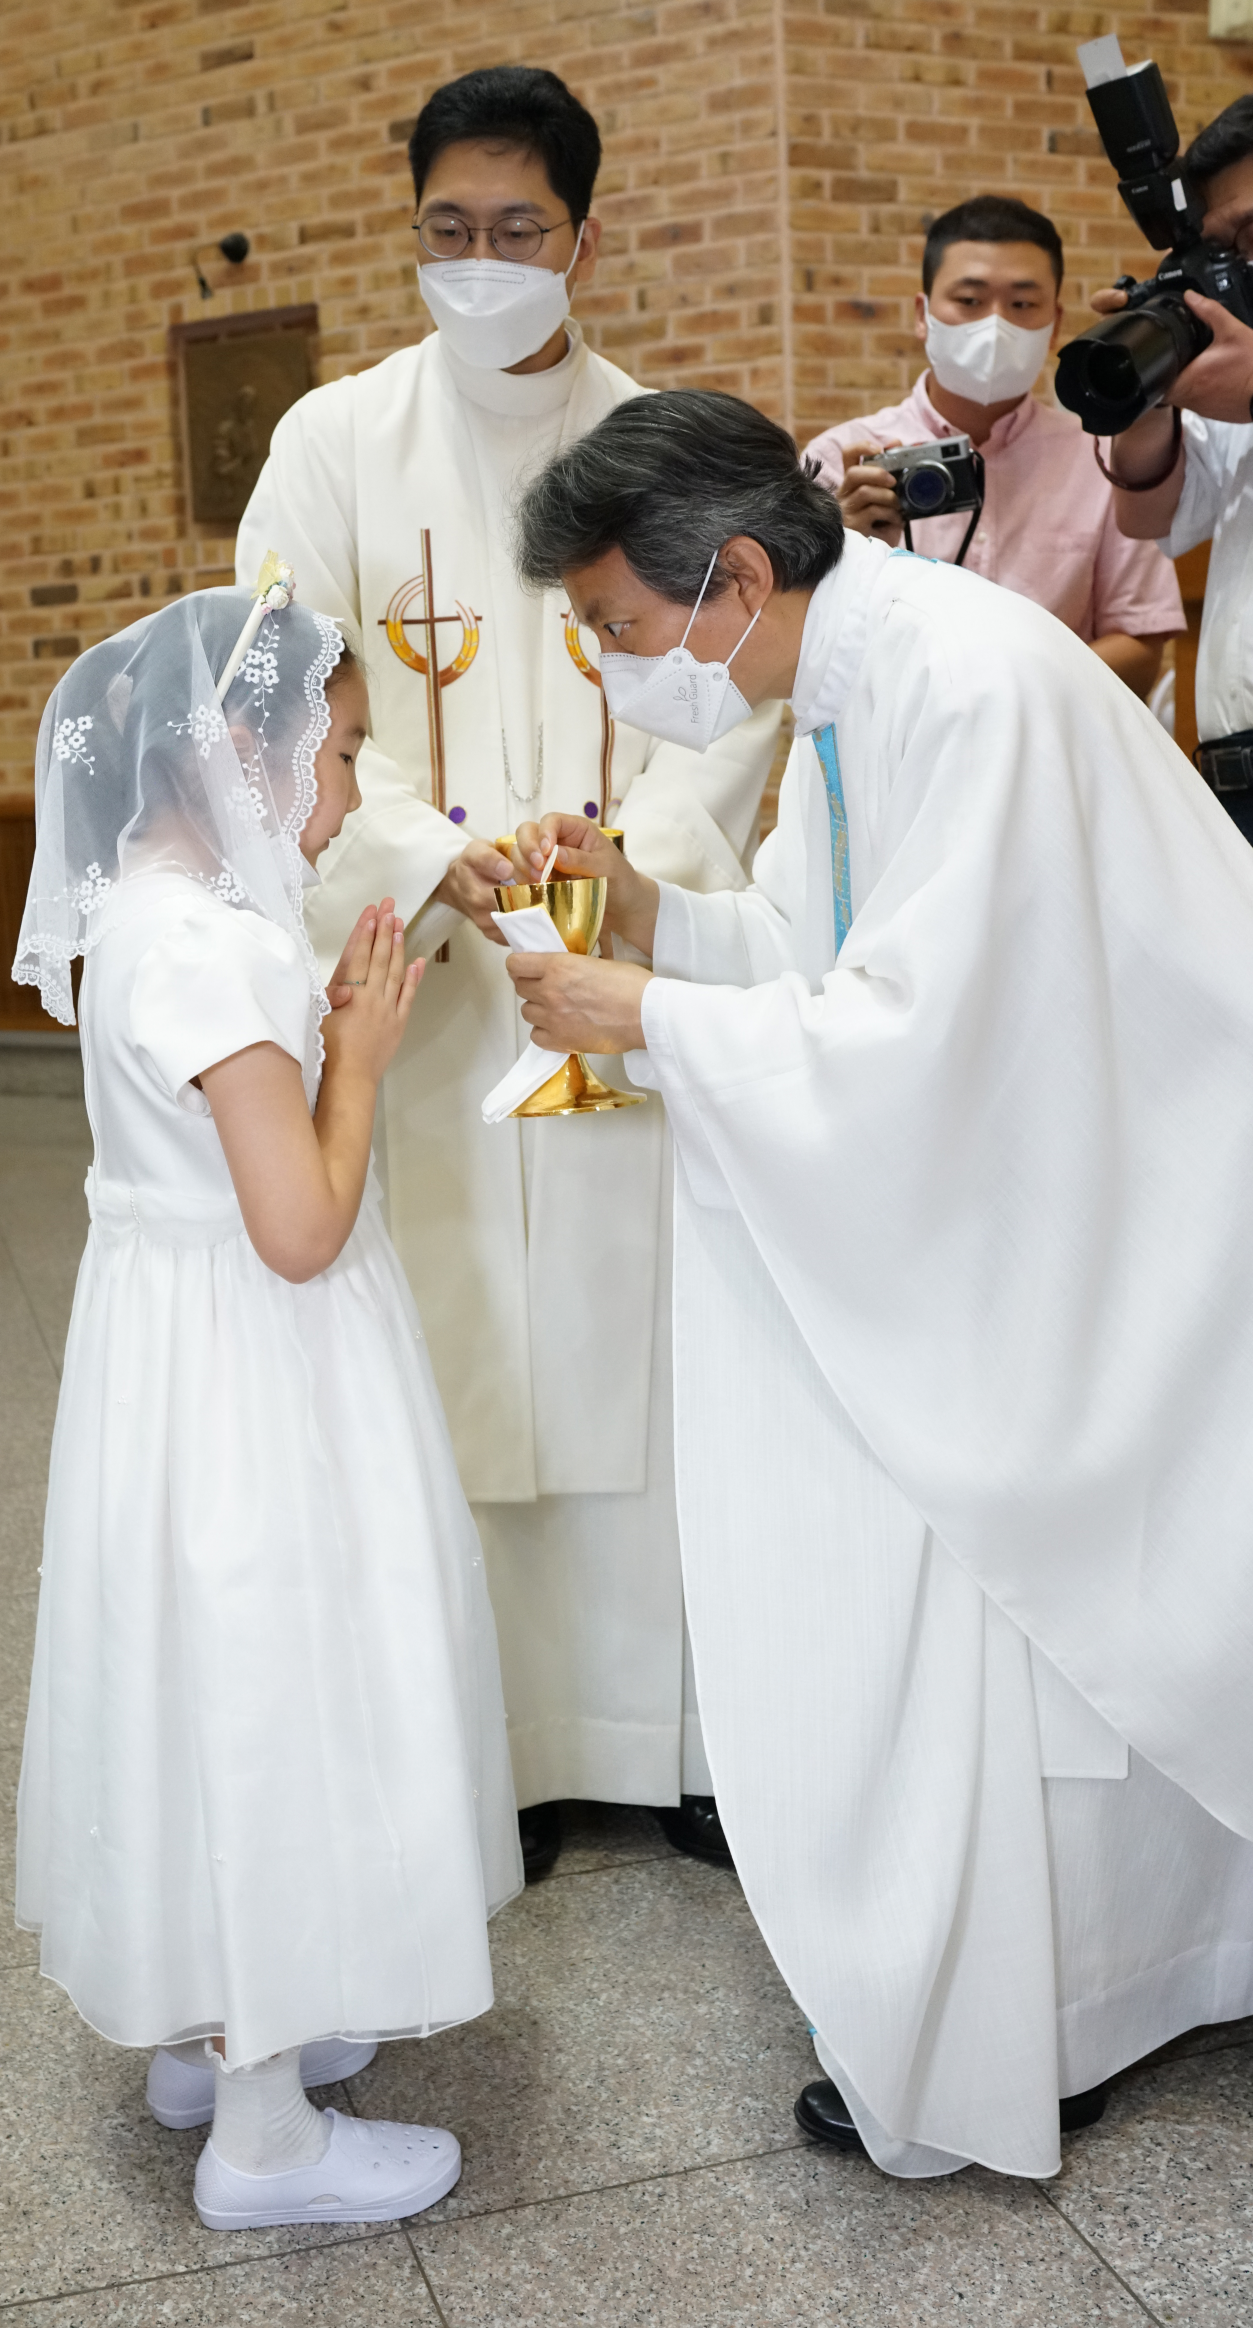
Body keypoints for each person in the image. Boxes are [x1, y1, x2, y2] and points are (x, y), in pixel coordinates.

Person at [503, 386, 1253, 2178]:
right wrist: (654, 921)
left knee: (1036, 1583)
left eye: (614, 625)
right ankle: (1068, 1988)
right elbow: (824, 948)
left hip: (1113, 1207)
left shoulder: (957, 680)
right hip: (1029, 1183)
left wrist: (642, 1014)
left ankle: (1062, 2007)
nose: (612, 667)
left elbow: (918, 1042)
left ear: (732, 578)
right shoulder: (844, 678)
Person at [237, 66, 780, 1877]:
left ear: (583, 239)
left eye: (515, 230)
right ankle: (508, 1753)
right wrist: (419, 853)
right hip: (434, 971)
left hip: (615, 959)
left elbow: (734, 692)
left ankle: (670, 1740)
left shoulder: (665, 441)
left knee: (647, 1337)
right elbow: (276, 690)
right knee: (461, 1333)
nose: (479, 260)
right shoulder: (332, 442)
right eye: (446, 229)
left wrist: (630, 871)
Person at [10, 579, 522, 2229]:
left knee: (198, 1671)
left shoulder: (139, 912)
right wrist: (358, 1058)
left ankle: (218, 2022)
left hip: (172, 1355)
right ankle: (264, 2135)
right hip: (260, 1367)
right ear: (242, 743)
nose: (346, 793)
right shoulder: (220, 946)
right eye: (339, 749)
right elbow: (298, 1225)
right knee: (277, 1685)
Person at [806, 194, 1183, 695]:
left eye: (1022, 304)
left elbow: (1139, 644)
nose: (995, 323)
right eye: (969, 300)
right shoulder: (836, 462)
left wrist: (1004, 690)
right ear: (922, 314)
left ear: (1054, 325)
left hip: (1048, 738)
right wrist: (845, 552)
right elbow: (795, 645)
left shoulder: (1104, 462)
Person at [1095, 98, 1253, 839]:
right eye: (1223, 249)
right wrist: (1147, 384)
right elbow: (1147, 516)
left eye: (1250, 235)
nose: (1238, 269)